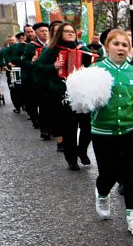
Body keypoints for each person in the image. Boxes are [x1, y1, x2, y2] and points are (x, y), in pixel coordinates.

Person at [91, 29, 133, 236]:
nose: (121, 48)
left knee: (130, 173)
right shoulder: (96, 70)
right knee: (108, 173)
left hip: (131, 129)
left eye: (125, 45)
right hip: (103, 131)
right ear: (107, 46)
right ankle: (102, 192)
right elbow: (83, 100)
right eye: (116, 44)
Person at [33, 22, 97, 169]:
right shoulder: (51, 50)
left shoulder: (82, 48)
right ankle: (71, 159)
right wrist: (53, 67)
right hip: (61, 92)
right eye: (66, 31)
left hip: (81, 93)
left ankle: (82, 150)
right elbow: (37, 67)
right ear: (59, 34)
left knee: (88, 125)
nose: (70, 33)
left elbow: (94, 61)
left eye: (72, 31)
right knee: (69, 128)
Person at [21, 23, 51, 138]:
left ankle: (51, 127)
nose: (45, 33)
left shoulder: (52, 44)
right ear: (36, 33)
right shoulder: (31, 46)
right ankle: (43, 128)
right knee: (41, 104)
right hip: (36, 78)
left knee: (50, 105)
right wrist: (33, 62)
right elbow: (24, 61)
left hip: (50, 78)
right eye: (42, 31)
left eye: (46, 31)